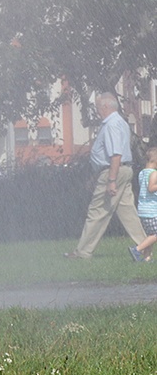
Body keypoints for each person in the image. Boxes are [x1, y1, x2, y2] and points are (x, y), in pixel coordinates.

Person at [65, 92, 146, 259]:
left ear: (105, 107)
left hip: (114, 171)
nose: (97, 111)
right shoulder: (121, 123)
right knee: (128, 213)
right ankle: (145, 248)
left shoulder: (111, 124)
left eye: (97, 107)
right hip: (122, 170)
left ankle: (83, 252)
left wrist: (111, 180)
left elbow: (115, 154)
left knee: (97, 212)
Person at [129, 147, 157, 262]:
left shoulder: (142, 173)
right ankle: (137, 249)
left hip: (143, 209)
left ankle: (147, 258)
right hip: (152, 210)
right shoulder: (154, 173)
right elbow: (151, 188)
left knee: (150, 235)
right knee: (155, 234)